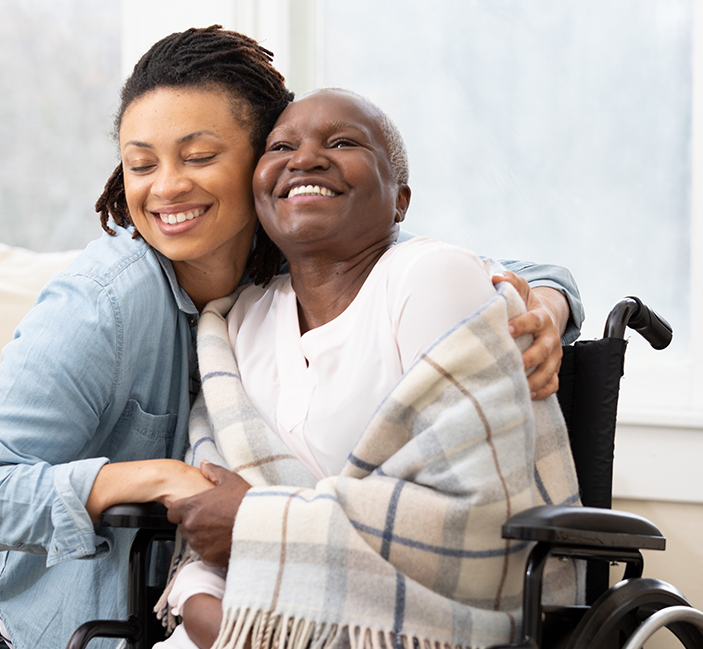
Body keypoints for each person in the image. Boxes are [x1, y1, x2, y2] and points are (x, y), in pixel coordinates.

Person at [0, 27, 582, 649]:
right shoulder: (103, 302)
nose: (166, 187)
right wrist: (155, 477)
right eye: (141, 164)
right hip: (62, 617)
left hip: (243, 595)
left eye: (200, 156)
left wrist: (545, 310)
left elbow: (480, 267)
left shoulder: (293, 257)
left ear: (261, 161)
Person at [163, 89, 582, 649]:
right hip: (248, 619)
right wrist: (199, 603)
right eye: (281, 146)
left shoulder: (431, 278)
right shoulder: (237, 321)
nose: (304, 158)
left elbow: (472, 517)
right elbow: (208, 512)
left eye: (342, 142)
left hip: (406, 626)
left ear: (400, 200)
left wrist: (255, 521)